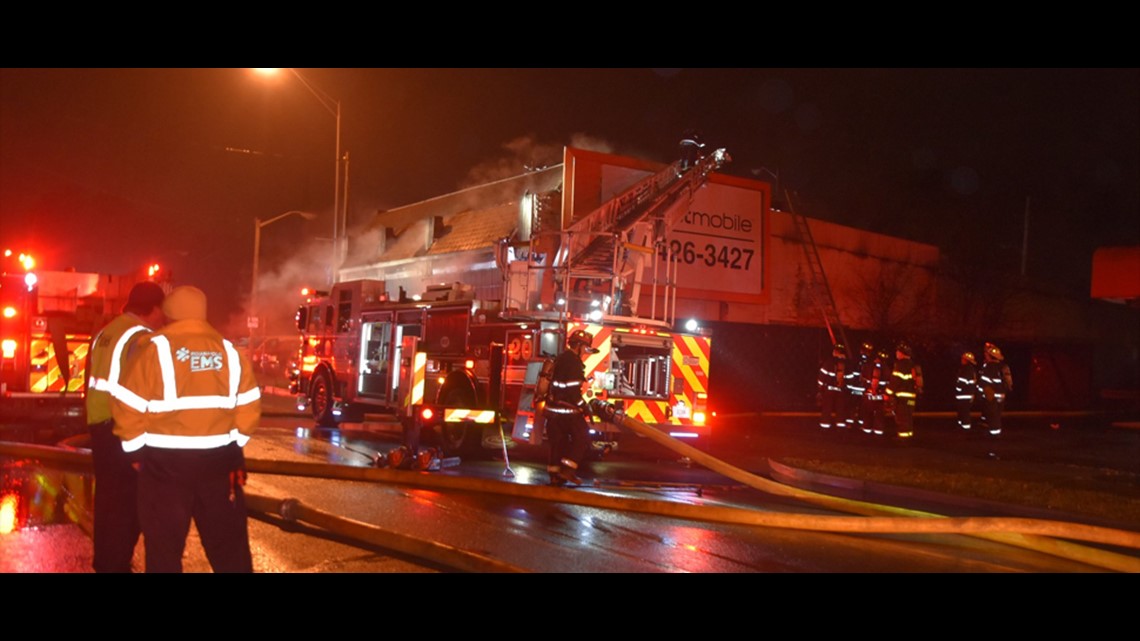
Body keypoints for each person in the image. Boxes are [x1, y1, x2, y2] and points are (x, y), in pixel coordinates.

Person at [111, 286, 261, 572]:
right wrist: (232, 446)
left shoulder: (153, 349)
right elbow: (250, 407)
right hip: (219, 467)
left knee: (164, 552)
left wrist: (136, 453)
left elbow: (127, 406)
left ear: (170, 313)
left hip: (164, 468)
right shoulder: (229, 352)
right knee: (230, 552)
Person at [85, 281, 166, 573]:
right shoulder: (142, 338)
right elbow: (144, 392)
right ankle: (116, 565)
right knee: (128, 508)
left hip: (100, 427)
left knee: (107, 502)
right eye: (162, 310)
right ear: (154, 308)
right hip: (124, 433)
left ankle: (105, 562)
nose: (163, 318)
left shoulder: (106, 332)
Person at [542, 329, 599, 486]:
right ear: (579, 346)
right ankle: (567, 471)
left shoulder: (561, 358)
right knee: (582, 438)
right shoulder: (573, 363)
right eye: (585, 348)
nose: (585, 353)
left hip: (552, 409)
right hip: (566, 410)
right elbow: (572, 391)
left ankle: (554, 475)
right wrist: (585, 407)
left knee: (557, 442)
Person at [886, 341, 923, 439]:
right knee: (908, 418)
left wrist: (887, 393)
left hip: (902, 398)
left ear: (902, 353)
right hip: (911, 397)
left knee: (901, 419)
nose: (896, 353)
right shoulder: (913, 365)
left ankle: (903, 439)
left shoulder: (900, 365)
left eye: (898, 352)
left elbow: (895, 381)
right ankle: (909, 436)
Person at [978, 342, 1013, 437]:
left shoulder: (989, 367)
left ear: (990, 356)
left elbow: (983, 383)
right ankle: (995, 433)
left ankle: (994, 436)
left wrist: (981, 394)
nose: (985, 355)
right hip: (1001, 396)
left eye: (986, 354)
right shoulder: (1002, 366)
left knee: (993, 417)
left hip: (991, 396)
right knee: (997, 416)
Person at [817, 343, 850, 431]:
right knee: (841, 409)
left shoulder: (829, 362)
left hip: (829, 390)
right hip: (841, 390)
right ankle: (840, 425)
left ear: (834, 351)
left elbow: (822, 375)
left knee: (827, 408)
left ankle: (825, 425)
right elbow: (850, 377)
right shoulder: (847, 363)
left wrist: (820, 388)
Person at [861, 349, 890, 436]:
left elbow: (863, 379)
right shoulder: (886, 368)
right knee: (879, 414)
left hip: (869, 394)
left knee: (867, 413)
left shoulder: (868, 366)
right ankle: (878, 431)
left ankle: (866, 431)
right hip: (880, 395)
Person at [847, 341, 874, 430]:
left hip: (857, 388)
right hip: (862, 389)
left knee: (854, 406)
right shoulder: (870, 362)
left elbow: (852, 374)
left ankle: (852, 423)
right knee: (860, 407)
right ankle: (860, 423)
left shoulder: (856, 360)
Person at [955, 351, 978, 431]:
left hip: (964, 394)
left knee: (964, 411)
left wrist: (958, 389)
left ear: (966, 360)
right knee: (963, 411)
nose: (961, 360)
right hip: (967, 394)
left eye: (963, 359)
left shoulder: (966, 369)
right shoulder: (970, 369)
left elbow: (962, 381)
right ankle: (963, 426)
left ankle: (965, 427)